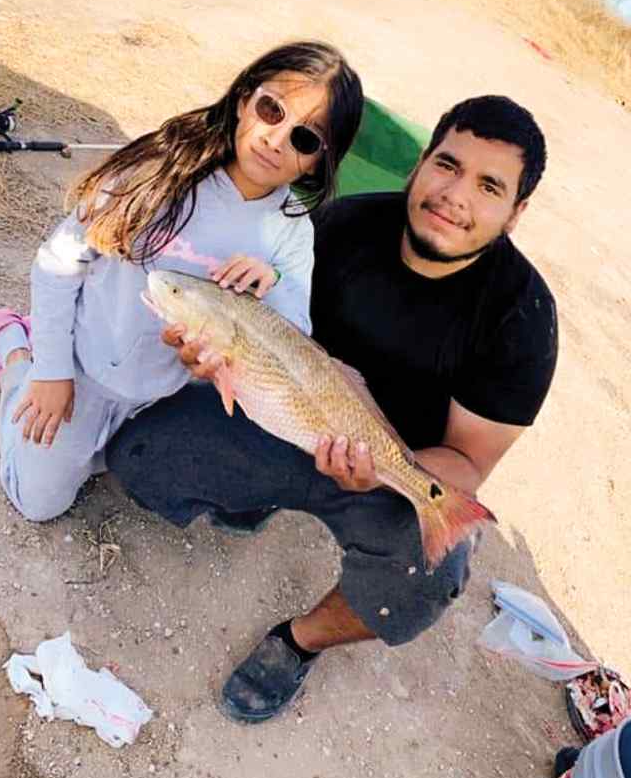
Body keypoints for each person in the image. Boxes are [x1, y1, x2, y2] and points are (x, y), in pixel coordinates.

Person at [106, 93, 558, 725]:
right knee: (137, 456)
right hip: (285, 410)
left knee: (428, 577)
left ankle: (299, 641)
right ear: (420, 164)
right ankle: (251, 498)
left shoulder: (523, 319)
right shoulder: (344, 223)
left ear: (515, 212)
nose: (457, 195)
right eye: (448, 165)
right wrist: (208, 359)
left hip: (389, 464)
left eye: (489, 186)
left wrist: (379, 470)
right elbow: (266, 329)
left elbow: (467, 462)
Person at [0, 41, 364, 521]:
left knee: (111, 464)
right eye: (272, 109)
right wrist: (51, 371)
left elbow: (293, 339)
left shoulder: (291, 230)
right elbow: (59, 263)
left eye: (305, 138)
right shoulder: (161, 169)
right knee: (37, 502)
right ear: (244, 98)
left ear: (319, 160)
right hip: (81, 369)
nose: (276, 138)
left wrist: (271, 283)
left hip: (159, 400)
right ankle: (13, 345)